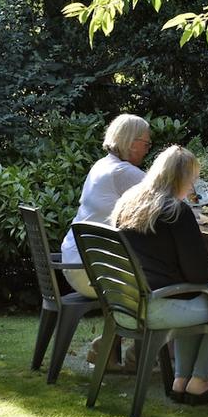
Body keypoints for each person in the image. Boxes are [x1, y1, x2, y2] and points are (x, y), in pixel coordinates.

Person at [111, 145, 208, 405]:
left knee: (201, 298)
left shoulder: (128, 203)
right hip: (161, 304)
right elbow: (200, 275)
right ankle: (198, 380)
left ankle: (181, 380)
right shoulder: (177, 211)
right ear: (181, 179)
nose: (193, 187)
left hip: (126, 302)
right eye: (192, 180)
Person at [60, 114, 151, 298]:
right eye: (146, 144)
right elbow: (169, 200)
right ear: (131, 142)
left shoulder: (102, 165)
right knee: (161, 268)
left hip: (74, 263)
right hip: (93, 273)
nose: (147, 150)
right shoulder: (122, 172)